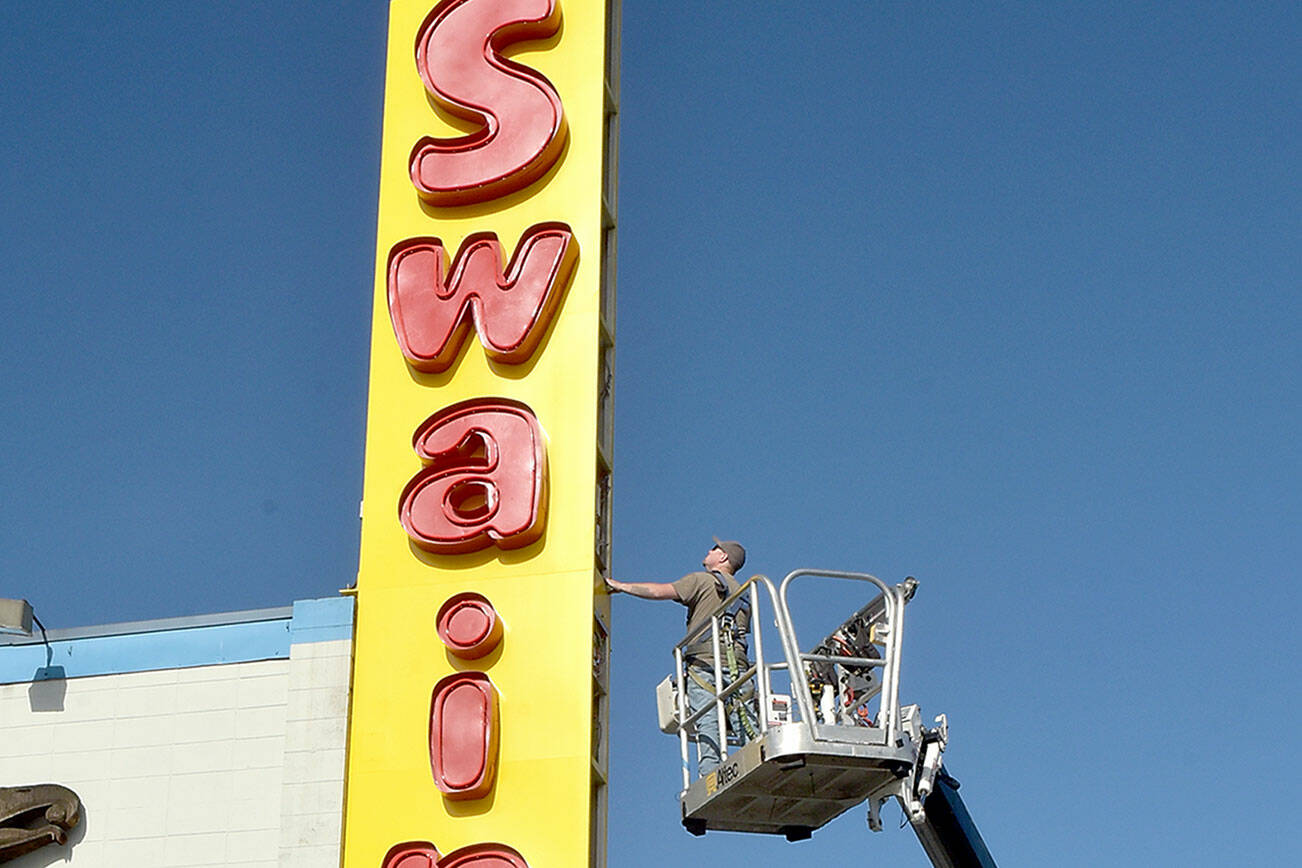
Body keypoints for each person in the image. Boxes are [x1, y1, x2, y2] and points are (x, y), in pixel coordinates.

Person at [605, 538, 754, 776]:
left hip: (705, 664)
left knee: (708, 724)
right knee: (745, 721)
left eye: (714, 548)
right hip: (739, 666)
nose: (708, 550)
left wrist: (621, 586)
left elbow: (658, 591)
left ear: (723, 557)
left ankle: (711, 778)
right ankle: (755, 768)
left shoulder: (702, 580)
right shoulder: (746, 593)